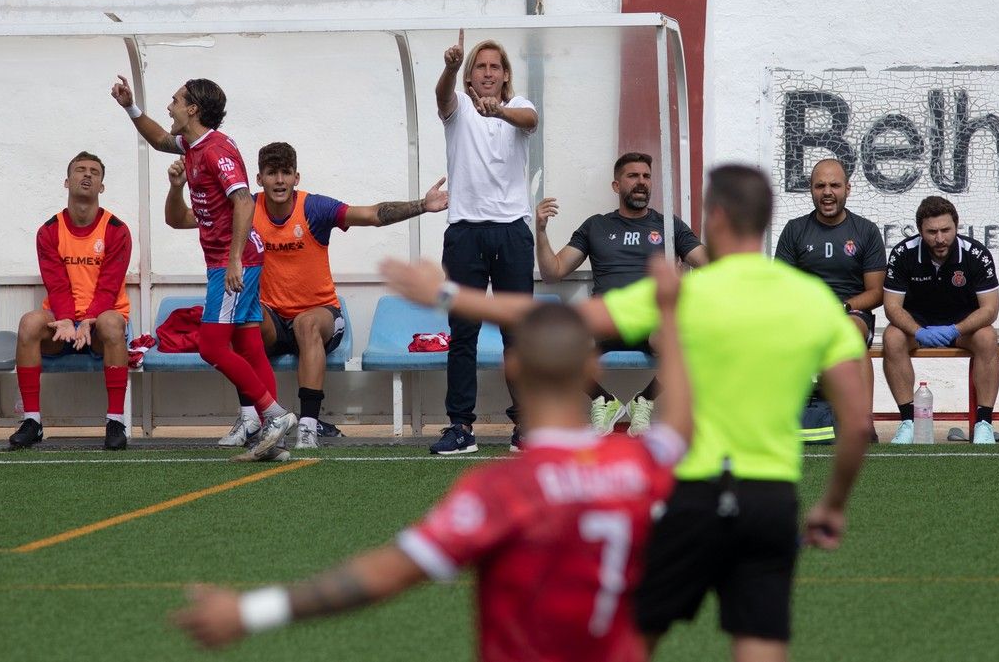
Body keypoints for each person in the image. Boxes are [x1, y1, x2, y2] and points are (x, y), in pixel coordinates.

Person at [382, 164, 872, 661]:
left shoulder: (683, 294)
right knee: (760, 645)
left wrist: (446, 294)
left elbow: (558, 320)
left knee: (633, 640)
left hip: (693, 494)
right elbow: (854, 424)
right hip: (770, 498)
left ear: (716, 217)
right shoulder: (812, 301)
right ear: (767, 220)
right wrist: (832, 504)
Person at [173, 256, 693, 662]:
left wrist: (250, 611)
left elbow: (385, 575)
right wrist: (668, 313)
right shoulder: (646, 464)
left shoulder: (500, 491)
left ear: (512, 366)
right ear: (589, 366)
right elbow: (682, 416)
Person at [165, 141, 449, 450]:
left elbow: (371, 215)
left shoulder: (313, 208)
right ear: (258, 179)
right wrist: (177, 187)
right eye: (272, 173)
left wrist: (424, 204)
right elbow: (178, 220)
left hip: (320, 314)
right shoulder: (245, 209)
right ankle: (251, 419)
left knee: (305, 324)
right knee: (239, 320)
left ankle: (308, 426)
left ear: (297, 177)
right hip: (271, 316)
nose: (280, 181)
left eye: (286, 173)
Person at [112, 75, 295, 461]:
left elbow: (245, 202)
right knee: (247, 343)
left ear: (193, 109)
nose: (170, 106)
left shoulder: (216, 150)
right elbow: (160, 138)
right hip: (235, 259)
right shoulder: (190, 145)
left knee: (212, 346)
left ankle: (273, 416)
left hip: (236, 261)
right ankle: (272, 436)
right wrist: (129, 106)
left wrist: (232, 260)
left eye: (175, 100)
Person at [536, 150, 708, 436]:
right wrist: (540, 231)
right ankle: (603, 399)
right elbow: (552, 272)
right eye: (632, 176)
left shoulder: (669, 225)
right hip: (606, 321)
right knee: (547, 343)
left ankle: (645, 401)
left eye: (646, 177)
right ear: (616, 185)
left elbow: (711, 265)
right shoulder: (596, 226)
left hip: (652, 321)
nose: (641, 182)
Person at [432, 29, 539, 455]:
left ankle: (526, 425)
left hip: (512, 230)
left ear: (506, 74)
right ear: (471, 75)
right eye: (481, 66)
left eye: (495, 66)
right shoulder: (457, 108)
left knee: (518, 334)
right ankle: (461, 427)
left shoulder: (519, 105)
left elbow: (530, 121)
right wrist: (450, 67)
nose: (489, 72)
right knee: (463, 334)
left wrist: (500, 113)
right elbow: (443, 97)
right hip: (465, 233)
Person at [9, 152, 132, 451]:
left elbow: (108, 286)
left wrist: (88, 320)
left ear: (102, 186)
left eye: (94, 172)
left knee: (113, 322)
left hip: (100, 325)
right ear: (67, 181)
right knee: (28, 323)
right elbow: (56, 283)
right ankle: (32, 421)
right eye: (80, 170)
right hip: (62, 325)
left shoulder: (117, 230)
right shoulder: (49, 230)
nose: (87, 175)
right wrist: (66, 319)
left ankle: (116, 421)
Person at [775, 157, 885, 436]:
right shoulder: (794, 230)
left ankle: (863, 424)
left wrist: (842, 306)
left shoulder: (866, 231)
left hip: (850, 312)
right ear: (811, 190)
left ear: (847, 189)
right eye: (819, 185)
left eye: (834, 185)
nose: (827, 192)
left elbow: (875, 292)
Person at [882, 195, 999, 444]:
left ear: (956, 226)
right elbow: (892, 308)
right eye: (931, 232)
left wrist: (954, 329)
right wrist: (918, 331)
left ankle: (984, 423)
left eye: (946, 230)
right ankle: (908, 422)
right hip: (918, 326)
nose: (939, 239)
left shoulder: (976, 254)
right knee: (892, 336)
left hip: (961, 326)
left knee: (988, 336)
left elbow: (990, 309)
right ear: (920, 231)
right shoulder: (903, 253)